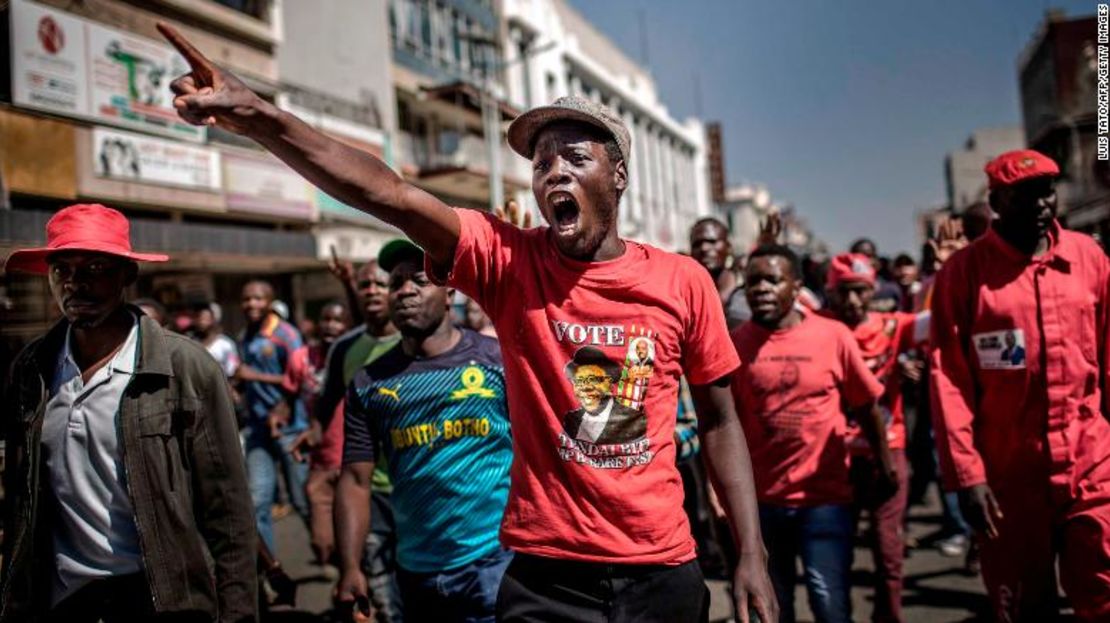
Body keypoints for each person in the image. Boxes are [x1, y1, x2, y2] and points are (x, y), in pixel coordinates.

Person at [157, 24, 777, 622]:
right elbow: (389, 194)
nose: (553, 172)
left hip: (661, 568)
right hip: (545, 574)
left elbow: (721, 419)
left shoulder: (682, 281)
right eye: (541, 164)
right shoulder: (510, 263)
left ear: (617, 176)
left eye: (575, 158)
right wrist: (262, 117)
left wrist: (750, 550)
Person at [0, 203, 256, 622]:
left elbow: (228, 512)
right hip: (62, 599)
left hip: (160, 599)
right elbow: (20, 501)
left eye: (95, 268)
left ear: (127, 275)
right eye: (61, 269)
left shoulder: (185, 367)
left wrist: (238, 613)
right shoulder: (32, 370)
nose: (74, 284)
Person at [930, 149, 1110, 621]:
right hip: (1009, 475)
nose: (1040, 203)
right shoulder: (963, 276)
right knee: (1025, 606)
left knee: (1104, 586)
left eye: (1047, 190)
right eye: (1024, 194)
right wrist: (967, 476)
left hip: (1091, 461)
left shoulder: (1088, 258)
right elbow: (949, 379)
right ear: (995, 200)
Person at [336, 238, 513, 622]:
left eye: (418, 279)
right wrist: (351, 567)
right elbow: (354, 480)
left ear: (449, 291)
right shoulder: (370, 382)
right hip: (415, 573)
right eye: (395, 283)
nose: (404, 291)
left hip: (494, 563)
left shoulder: (496, 362)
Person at [731, 244, 897, 623]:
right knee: (773, 606)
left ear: (796, 286)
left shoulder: (833, 336)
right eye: (753, 281)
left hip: (824, 499)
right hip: (762, 504)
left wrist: (885, 463)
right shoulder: (736, 346)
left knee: (830, 601)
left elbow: (867, 406)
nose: (761, 289)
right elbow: (726, 426)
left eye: (773, 280)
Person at [822, 252, 929, 623]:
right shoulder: (819, 330)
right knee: (837, 554)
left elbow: (942, 315)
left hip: (889, 454)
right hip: (836, 459)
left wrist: (944, 272)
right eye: (844, 292)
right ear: (831, 294)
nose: (852, 301)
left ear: (872, 292)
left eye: (860, 291)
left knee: (889, 552)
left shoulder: (893, 327)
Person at [315, 259, 403, 622]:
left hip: (417, 488)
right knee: (384, 594)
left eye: (381, 285)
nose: (372, 292)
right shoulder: (344, 349)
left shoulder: (419, 340)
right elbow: (327, 405)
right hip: (369, 488)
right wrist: (314, 437)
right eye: (364, 285)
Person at [237, 279, 310, 551]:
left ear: (270, 301)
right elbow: (247, 379)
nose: (251, 304)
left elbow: (299, 378)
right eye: (246, 299)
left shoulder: (287, 334)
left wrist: (254, 376)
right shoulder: (245, 336)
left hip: (290, 429)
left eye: (258, 298)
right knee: (257, 503)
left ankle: (329, 556)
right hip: (258, 430)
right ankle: (273, 571)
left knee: (302, 500)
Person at [283, 301, 351, 567]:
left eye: (338, 320)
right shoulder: (300, 358)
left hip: (354, 462)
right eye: (326, 319)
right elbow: (288, 395)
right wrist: (279, 415)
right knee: (322, 542)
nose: (331, 326)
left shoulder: (355, 356)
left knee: (358, 544)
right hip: (320, 462)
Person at [689, 217, 749, 328]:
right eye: (697, 244)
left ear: (729, 247)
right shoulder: (686, 292)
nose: (704, 248)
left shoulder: (747, 284)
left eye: (712, 242)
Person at [849, 238, 902, 313]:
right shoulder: (844, 294)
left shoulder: (891, 290)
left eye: (868, 256)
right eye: (858, 257)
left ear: (876, 260)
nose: (863, 261)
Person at [193, 301, 240, 378]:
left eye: (205, 318)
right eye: (198, 318)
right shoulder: (193, 343)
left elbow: (233, 371)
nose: (201, 322)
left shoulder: (225, 344)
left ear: (213, 319)